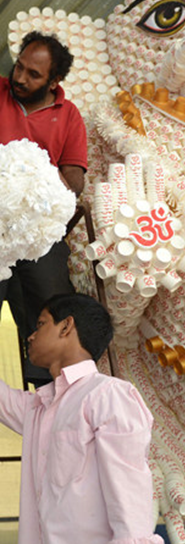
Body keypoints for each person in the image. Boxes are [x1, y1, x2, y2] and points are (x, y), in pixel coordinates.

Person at [0, 292, 165, 544]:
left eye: (40, 325)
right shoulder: (37, 408)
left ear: (66, 326)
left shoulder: (108, 394)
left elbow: (129, 489)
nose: (30, 336)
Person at [0, 31, 88, 382]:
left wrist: (42, 184)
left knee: (52, 299)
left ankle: (44, 384)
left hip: (37, 230)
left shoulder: (68, 115)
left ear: (54, 81)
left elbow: (74, 177)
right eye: (19, 67)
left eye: (33, 74)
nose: (20, 78)